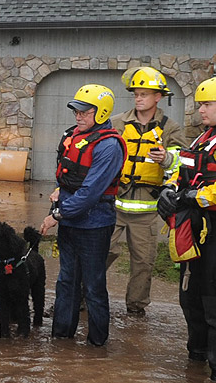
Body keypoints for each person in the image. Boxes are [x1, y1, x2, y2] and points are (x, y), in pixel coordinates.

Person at [40, 84, 126, 347]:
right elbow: (70, 176)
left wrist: (57, 215)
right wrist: (59, 193)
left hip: (94, 224)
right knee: (66, 281)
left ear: (100, 114)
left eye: (84, 112)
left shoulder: (109, 146)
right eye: (76, 111)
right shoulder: (74, 136)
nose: (78, 116)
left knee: (93, 286)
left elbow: (90, 192)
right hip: (70, 221)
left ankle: (97, 343)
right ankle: (61, 337)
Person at [157, 76, 216, 381]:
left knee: (215, 299)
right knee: (190, 296)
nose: (201, 110)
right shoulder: (202, 138)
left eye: (208, 104)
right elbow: (182, 169)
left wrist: (193, 196)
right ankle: (195, 360)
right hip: (195, 228)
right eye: (200, 104)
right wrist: (170, 189)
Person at [106, 67, 186, 316]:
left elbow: (184, 165)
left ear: (158, 97)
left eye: (144, 94)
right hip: (114, 205)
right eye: (136, 94)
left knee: (143, 263)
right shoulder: (117, 122)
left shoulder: (170, 128)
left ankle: (136, 310)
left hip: (147, 210)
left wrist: (166, 160)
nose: (138, 98)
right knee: (101, 253)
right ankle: (84, 299)